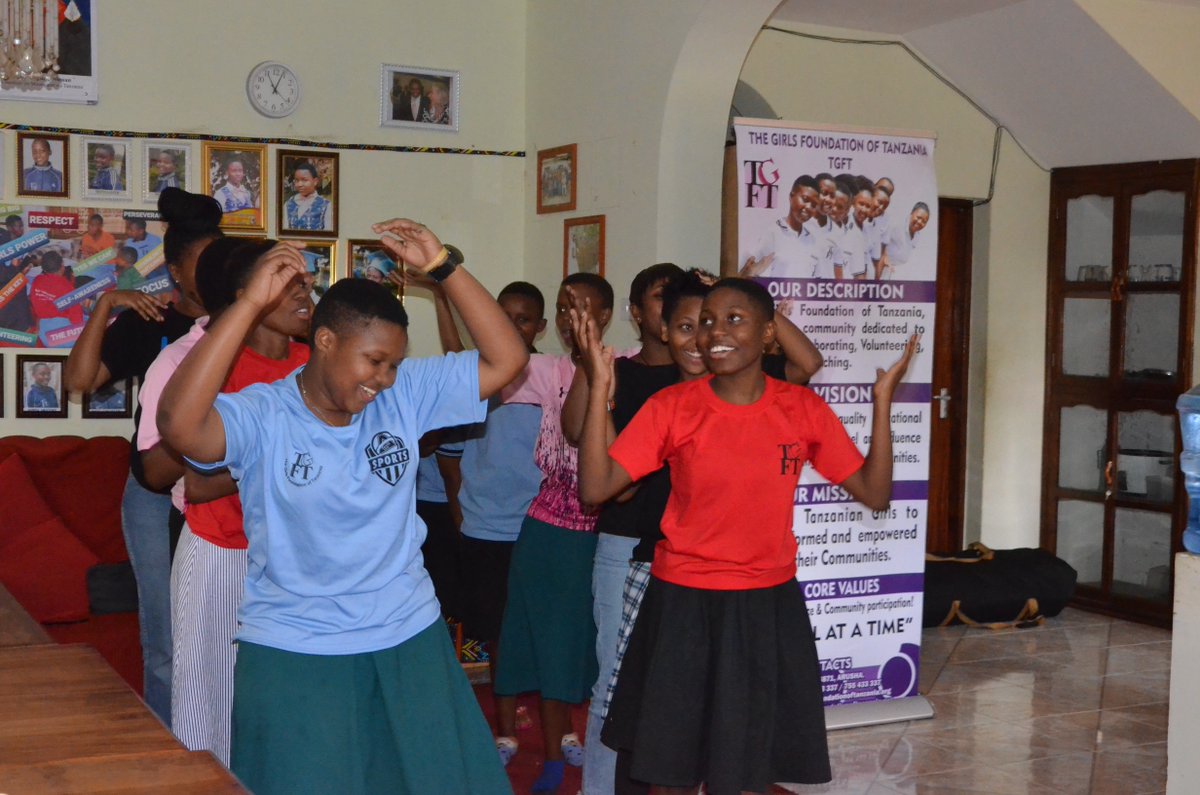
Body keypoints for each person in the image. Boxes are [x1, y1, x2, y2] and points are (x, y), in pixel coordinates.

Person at [157, 220, 527, 795]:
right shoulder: (263, 413)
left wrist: (444, 268)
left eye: (394, 364)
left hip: (406, 630)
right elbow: (179, 426)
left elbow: (507, 360)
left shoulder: (405, 394)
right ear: (325, 341)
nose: (384, 378)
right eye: (374, 360)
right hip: (296, 644)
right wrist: (251, 302)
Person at [575, 278, 917, 795]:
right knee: (670, 766)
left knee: (747, 766)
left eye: (734, 318)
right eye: (707, 320)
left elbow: (874, 492)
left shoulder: (800, 409)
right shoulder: (673, 406)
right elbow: (597, 487)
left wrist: (882, 403)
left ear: (768, 331)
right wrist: (600, 387)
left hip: (765, 607)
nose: (715, 332)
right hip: (682, 605)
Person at [563, 267, 824, 795]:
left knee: (707, 709)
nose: (700, 340)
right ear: (662, 330)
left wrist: (739, 289)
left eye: (711, 326)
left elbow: (807, 362)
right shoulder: (644, 386)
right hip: (633, 556)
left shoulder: (747, 390)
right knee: (623, 694)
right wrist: (592, 371)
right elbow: (598, 463)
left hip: (703, 579)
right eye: (685, 327)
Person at [63, 187, 224, 726]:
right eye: (203, 263)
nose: (215, 273)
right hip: (154, 494)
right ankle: (170, 745)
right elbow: (78, 383)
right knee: (165, 634)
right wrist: (108, 303)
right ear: (175, 272)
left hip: (222, 488)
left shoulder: (242, 326)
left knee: (227, 629)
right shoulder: (151, 318)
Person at [170, 238, 313, 765]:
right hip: (222, 551)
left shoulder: (313, 365)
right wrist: (286, 450)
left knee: (273, 702)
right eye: (289, 284)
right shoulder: (222, 366)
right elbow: (201, 484)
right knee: (205, 701)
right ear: (249, 293)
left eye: (306, 282)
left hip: (289, 557)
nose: (305, 295)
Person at [494, 272, 615, 793]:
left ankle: (576, 737)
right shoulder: (547, 369)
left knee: (585, 643)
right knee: (542, 639)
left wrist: (597, 360)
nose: (572, 321)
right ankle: (548, 757)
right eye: (565, 312)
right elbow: (569, 427)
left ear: (608, 315)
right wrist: (586, 362)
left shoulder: (625, 367)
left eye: (583, 310)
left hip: (603, 531)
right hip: (548, 527)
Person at [423, 276, 548, 769]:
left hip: (538, 528)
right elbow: (451, 462)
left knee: (535, 627)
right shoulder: (478, 381)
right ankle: (501, 725)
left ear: (539, 326)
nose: (514, 326)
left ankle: (541, 718)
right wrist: (459, 518)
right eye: (505, 315)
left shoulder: (551, 379)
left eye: (524, 319)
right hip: (484, 530)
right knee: (494, 630)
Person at [740, 175, 821, 279]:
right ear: (791, 197)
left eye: (814, 205)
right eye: (805, 199)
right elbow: (747, 273)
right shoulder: (772, 233)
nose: (809, 207)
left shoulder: (813, 240)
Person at [879, 202, 931, 280]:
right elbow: (879, 235)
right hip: (880, 268)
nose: (920, 222)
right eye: (918, 217)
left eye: (924, 221)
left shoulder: (917, 235)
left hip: (893, 273)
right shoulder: (897, 225)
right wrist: (884, 255)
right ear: (911, 214)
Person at [282, 162, 332, 232]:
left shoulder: (325, 205)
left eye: (304, 180)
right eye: (297, 180)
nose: (300, 184)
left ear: (315, 181)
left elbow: (329, 235)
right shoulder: (288, 204)